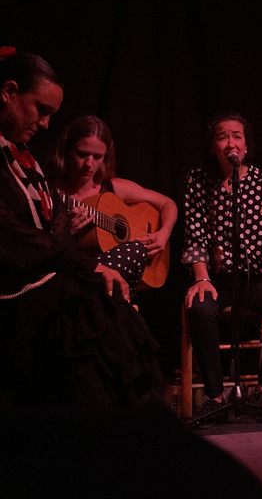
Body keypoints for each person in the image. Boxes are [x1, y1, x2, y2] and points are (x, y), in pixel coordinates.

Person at [0, 48, 162, 409]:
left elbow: (53, 227)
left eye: (50, 115)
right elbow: (13, 235)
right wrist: (88, 262)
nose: (44, 124)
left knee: (102, 303)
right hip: (15, 292)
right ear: (8, 92)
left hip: (44, 276)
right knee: (96, 306)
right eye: (41, 110)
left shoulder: (22, 160)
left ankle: (124, 424)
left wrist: (70, 241)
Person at [183, 112, 262, 425]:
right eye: (223, 136)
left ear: (246, 146)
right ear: (212, 146)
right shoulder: (198, 180)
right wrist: (201, 278)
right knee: (200, 307)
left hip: (254, 276)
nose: (230, 142)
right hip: (215, 277)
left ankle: (261, 391)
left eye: (237, 136)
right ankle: (216, 397)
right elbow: (194, 235)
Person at [49, 115, 178, 294]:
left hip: (114, 282)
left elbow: (168, 203)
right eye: (82, 154)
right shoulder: (51, 194)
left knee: (134, 251)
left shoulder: (113, 187)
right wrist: (65, 233)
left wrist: (163, 234)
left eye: (98, 157)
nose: (89, 164)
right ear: (67, 150)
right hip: (76, 281)